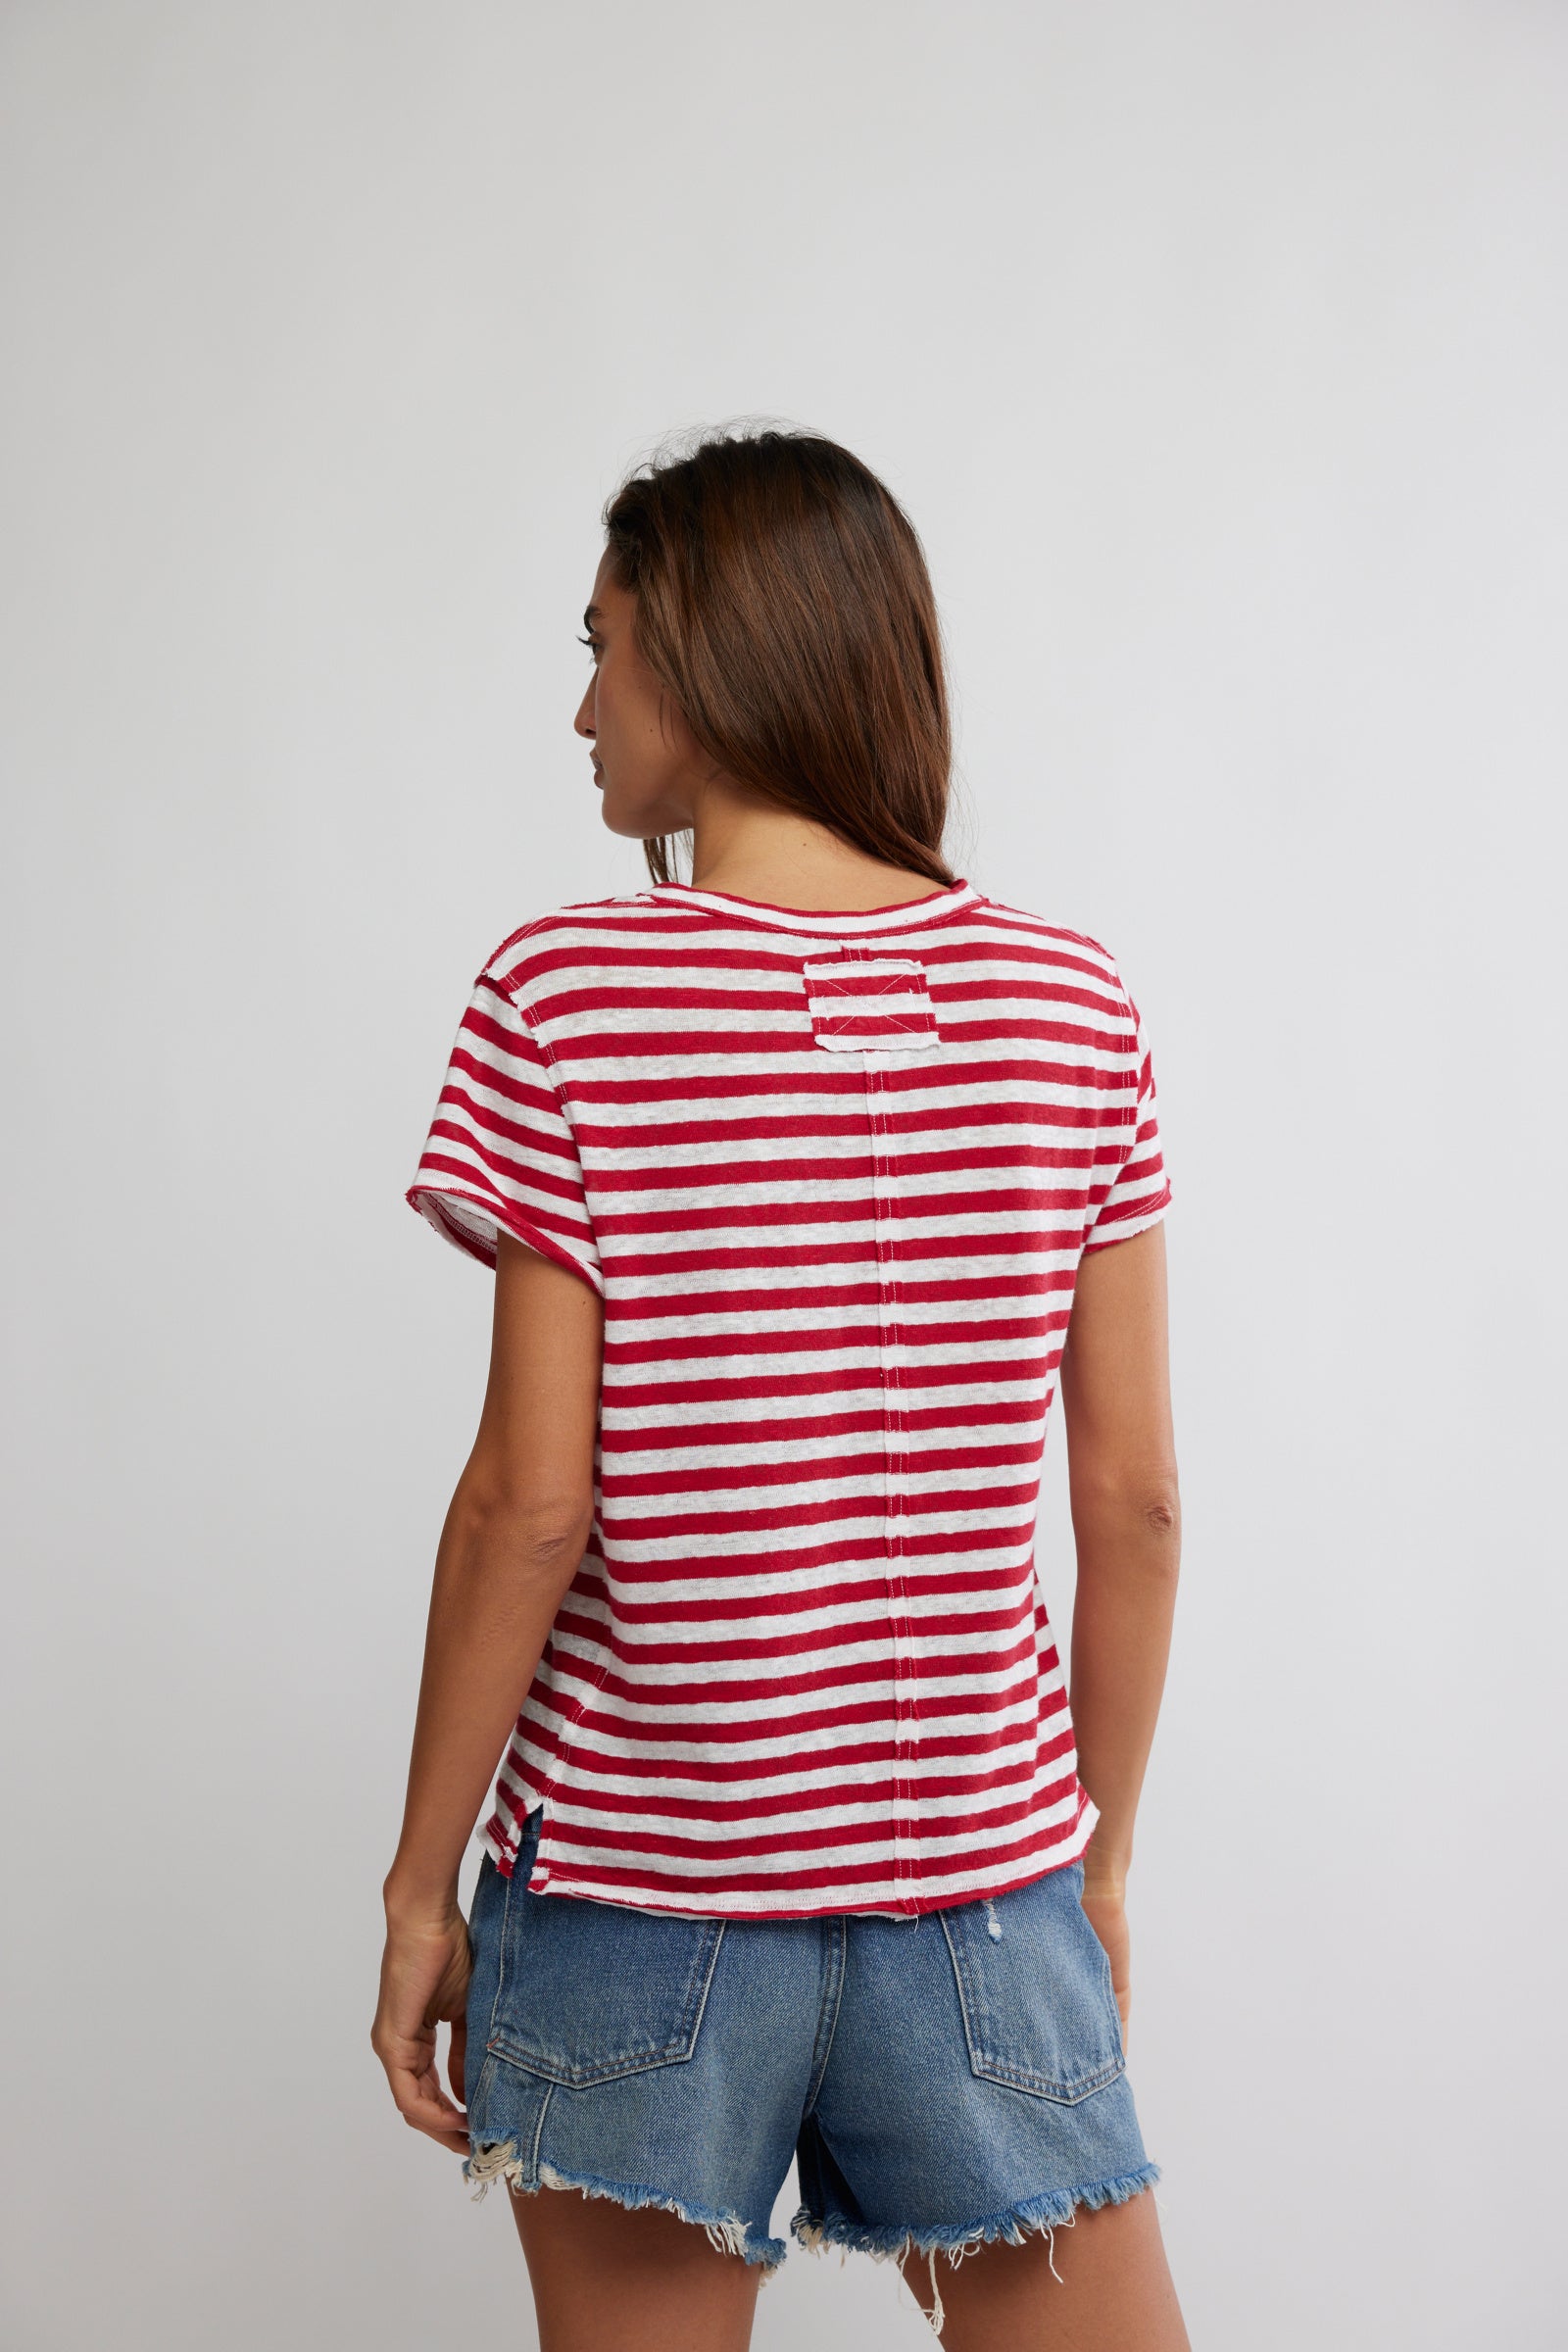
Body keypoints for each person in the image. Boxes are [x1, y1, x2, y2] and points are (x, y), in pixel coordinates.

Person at [371, 425, 1190, 2352]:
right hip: (981, 1897)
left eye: (603, 648)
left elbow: (527, 1503)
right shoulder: (1072, 1004)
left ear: (710, 648)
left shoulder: (563, 998)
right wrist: (1098, 1854)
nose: (582, 708)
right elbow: (1136, 1505)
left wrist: (418, 1890)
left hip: (634, 1904)